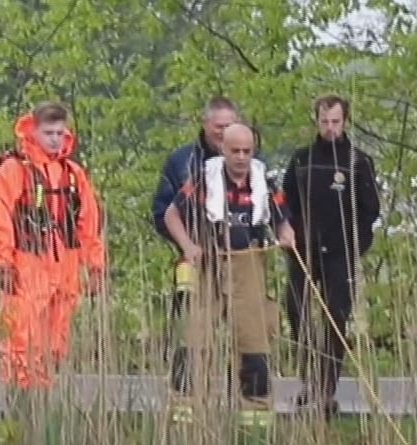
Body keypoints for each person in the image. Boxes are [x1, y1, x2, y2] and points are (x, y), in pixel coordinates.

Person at [163, 121, 295, 421]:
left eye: (247, 151)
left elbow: (282, 220)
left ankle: (255, 414)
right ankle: (184, 410)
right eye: (235, 151)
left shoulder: (264, 182)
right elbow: (172, 214)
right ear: (223, 149)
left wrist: (286, 234)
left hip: (248, 263)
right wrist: (187, 246)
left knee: (253, 339)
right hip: (208, 263)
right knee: (194, 337)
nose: (241, 157)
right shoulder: (204, 179)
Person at [0, 102, 107, 391]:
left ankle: (44, 396)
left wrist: (95, 267)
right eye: (48, 133)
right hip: (26, 267)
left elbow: (89, 224)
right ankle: (18, 398)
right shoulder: (14, 171)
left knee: (55, 341)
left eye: (60, 133)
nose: (54, 139)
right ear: (33, 132)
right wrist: (4, 263)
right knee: (21, 337)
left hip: (65, 270)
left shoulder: (73, 174)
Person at [280, 94, 382, 419]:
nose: (330, 128)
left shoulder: (358, 162)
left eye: (335, 122)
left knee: (336, 318)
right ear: (316, 121)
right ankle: (309, 376)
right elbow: (285, 202)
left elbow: (371, 210)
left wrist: (356, 247)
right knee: (296, 308)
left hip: (341, 253)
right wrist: (286, 229)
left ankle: (326, 388)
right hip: (304, 250)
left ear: (345, 122)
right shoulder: (302, 159)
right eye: (324, 121)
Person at [154, 98, 242, 396]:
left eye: (230, 126)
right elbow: (162, 213)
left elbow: (273, 209)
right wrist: (188, 244)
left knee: (247, 336)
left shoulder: (251, 162)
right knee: (191, 335)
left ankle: (239, 398)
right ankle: (186, 400)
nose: (224, 132)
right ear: (205, 125)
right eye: (219, 127)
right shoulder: (182, 162)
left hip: (241, 262)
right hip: (196, 262)